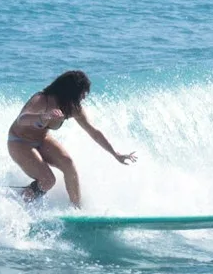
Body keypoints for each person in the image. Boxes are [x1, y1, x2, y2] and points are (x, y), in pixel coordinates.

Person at [7, 70, 136, 206]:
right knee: (48, 180)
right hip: (19, 142)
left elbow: (94, 132)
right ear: (71, 91)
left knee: (68, 164)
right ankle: (19, 202)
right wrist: (43, 116)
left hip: (42, 139)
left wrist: (115, 153)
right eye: (82, 93)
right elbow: (22, 119)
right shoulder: (41, 99)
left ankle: (75, 208)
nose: (84, 97)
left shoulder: (73, 108)